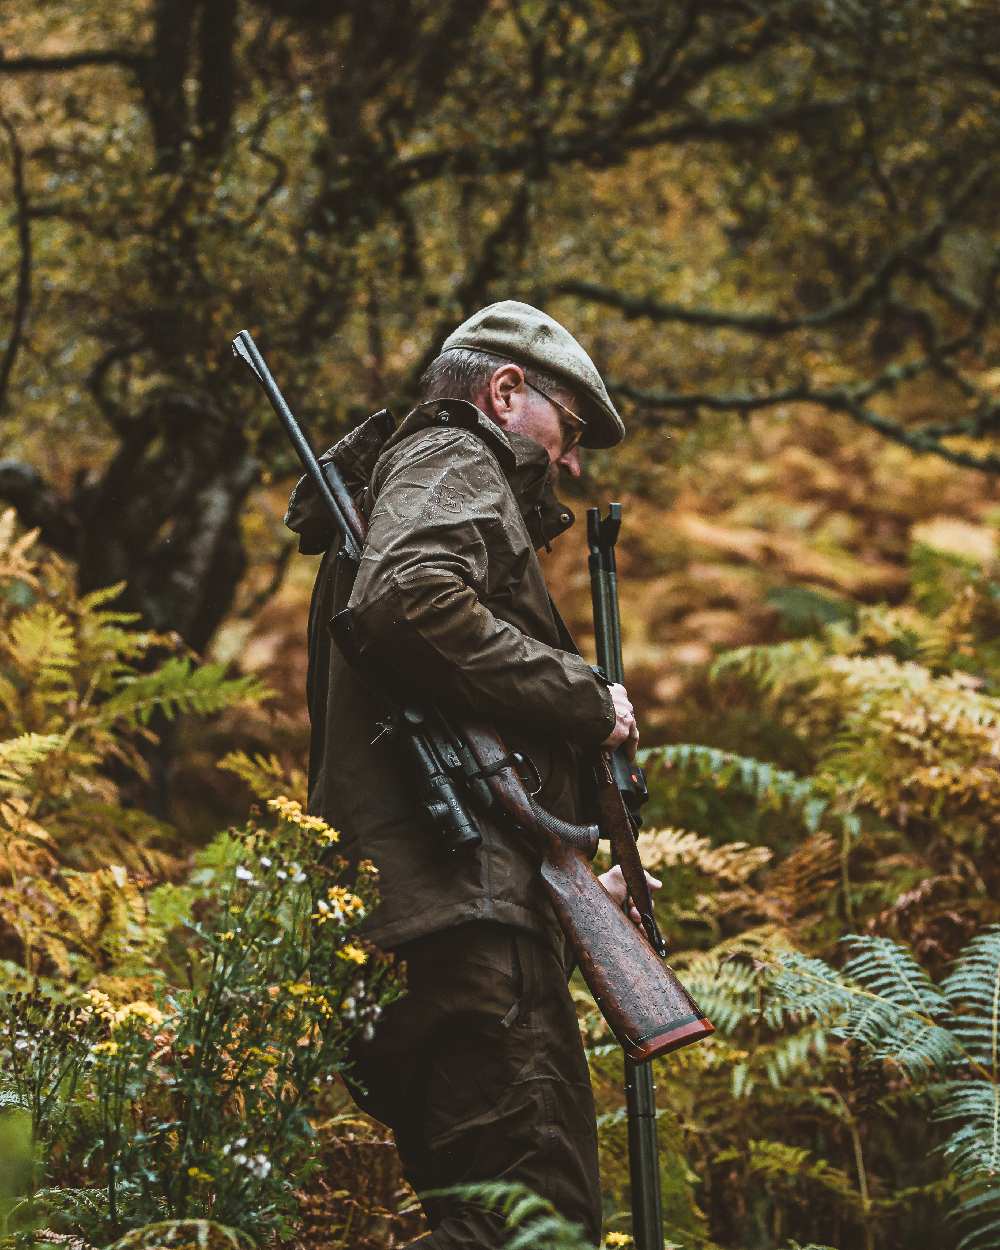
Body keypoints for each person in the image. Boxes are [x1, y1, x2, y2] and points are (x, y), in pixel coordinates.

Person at [285, 300, 655, 1247]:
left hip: (444, 915)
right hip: (467, 927)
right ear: (504, 390)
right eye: (568, 432)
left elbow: (451, 738)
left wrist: (572, 875)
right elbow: (411, 601)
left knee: (494, 1222)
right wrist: (584, 695)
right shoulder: (453, 456)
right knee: (537, 1231)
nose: (569, 463)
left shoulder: (394, 491)